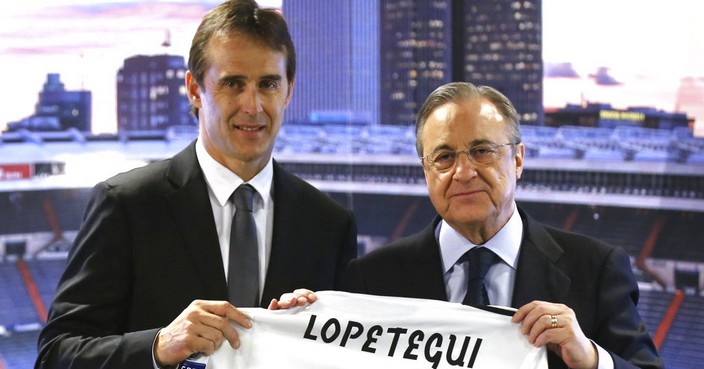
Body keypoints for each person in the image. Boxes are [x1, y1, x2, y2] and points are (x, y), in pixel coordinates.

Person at [35, 1, 356, 368]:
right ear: (193, 89)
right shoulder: (127, 205)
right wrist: (157, 347)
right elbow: (55, 355)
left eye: (268, 84)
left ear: (288, 91)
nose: (252, 105)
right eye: (233, 84)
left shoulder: (329, 224)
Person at [343, 82, 663, 369]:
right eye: (443, 157)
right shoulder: (373, 278)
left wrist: (592, 360)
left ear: (518, 160)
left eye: (482, 151)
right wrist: (299, 322)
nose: (463, 172)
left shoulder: (596, 269)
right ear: (425, 171)